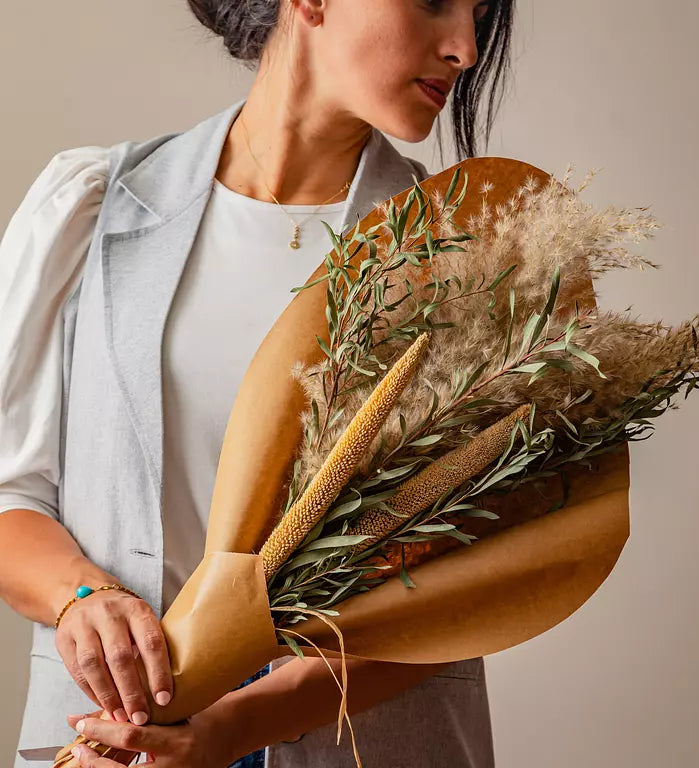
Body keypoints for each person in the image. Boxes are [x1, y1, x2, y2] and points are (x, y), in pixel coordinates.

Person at [0, 1, 518, 766]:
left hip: (360, 743)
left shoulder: (459, 257)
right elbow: (11, 491)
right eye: (436, 1)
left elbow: (465, 579)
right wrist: (83, 595)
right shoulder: (90, 205)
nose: (466, 49)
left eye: (479, 16)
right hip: (109, 742)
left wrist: (237, 726)